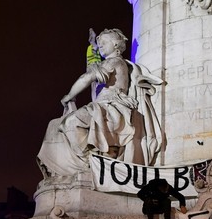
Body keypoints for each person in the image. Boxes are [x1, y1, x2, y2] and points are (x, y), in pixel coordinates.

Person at [37, 27, 164, 176]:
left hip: (112, 106)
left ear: (115, 45)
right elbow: (93, 74)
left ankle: (89, 162)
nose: (101, 46)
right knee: (54, 125)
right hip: (104, 105)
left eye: (104, 42)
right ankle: (85, 162)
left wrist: (69, 95)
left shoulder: (115, 62)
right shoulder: (111, 63)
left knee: (71, 122)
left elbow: (87, 77)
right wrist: (93, 50)